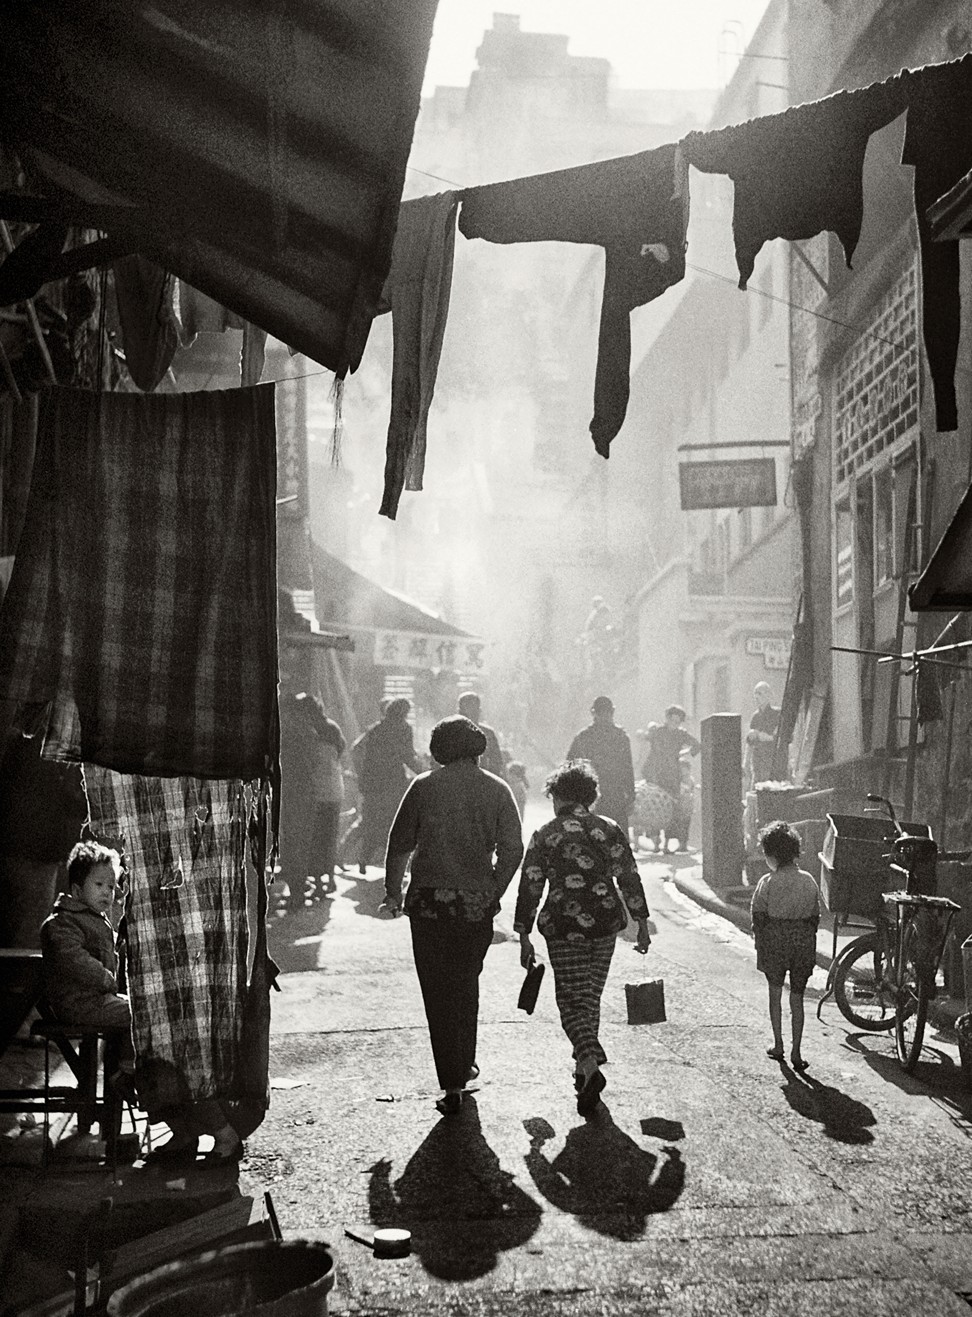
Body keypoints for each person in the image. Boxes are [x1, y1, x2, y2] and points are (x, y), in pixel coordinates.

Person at [381, 716, 523, 1116]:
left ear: (440, 748)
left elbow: (399, 844)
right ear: (478, 747)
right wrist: (493, 889)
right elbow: (513, 848)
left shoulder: (423, 787)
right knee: (465, 984)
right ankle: (464, 1062)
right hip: (474, 905)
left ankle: (452, 1081)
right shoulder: (497, 790)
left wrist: (393, 893)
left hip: (427, 904)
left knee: (437, 991)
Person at [514, 761, 651, 1117]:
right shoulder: (609, 829)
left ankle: (589, 1062)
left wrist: (524, 932)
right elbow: (629, 877)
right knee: (590, 995)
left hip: (562, 926)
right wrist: (642, 921)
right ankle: (582, 1069)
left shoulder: (545, 834)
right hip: (606, 924)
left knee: (570, 1000)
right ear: (590, 796)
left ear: (557, 796)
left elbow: (531, 883)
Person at [40, 841, 137, 1103]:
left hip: (95, 1000)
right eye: (99, 885)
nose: (108, 892)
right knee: (138, 1013)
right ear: (76, 889)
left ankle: (121, 1069)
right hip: (78, 1002)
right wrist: (107, 978)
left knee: (141, 1008)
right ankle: (125, 1073)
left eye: (111, 886)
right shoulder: (63, 922)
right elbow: (74, 959)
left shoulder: (94, 919)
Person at [750, 820, 820, 1072]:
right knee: (798, 998)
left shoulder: (767, 882)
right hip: (802, 943)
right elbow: (815, 917)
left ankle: (778, 1044)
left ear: (771, 855)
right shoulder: (809, 881)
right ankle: (797, 1052)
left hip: (774, 943)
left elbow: (758, 916)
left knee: (775, 994)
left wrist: (761, 942)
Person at [353, 697, 419, 872]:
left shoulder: (377, 728)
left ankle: (365, 856)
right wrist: (423, 771)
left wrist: (361, 775)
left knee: (373, 821)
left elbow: (359, 750)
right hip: (393, 782)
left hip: (372, 783)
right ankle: (395, 862)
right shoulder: (403, 729)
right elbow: (408, 756)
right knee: (395, 822)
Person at [566, 696, 636, 833]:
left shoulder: (583, 737)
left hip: (591, 795)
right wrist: (631, 796)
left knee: (593, 839)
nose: (605, 716)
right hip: (610, 795)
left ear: (593, 713)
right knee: (616, 839)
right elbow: (628, 768)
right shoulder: (620, 736)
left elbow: (569, 767)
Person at [639, 705, 700, 851]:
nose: (674, 724)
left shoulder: (681, 734)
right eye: (672, 720)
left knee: (671, 808)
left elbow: (697, 745)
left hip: (673, 775)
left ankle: (666, 842)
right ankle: (655, 841)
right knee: (653, 804)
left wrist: (683, 753)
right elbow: (645, 738)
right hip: (655, 773)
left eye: (678, 721)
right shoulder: (658, 731)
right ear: (667, 719)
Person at [457, 691, 506, 779]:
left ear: (479, 711)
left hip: (481, 782)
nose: (470, 716)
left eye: (473, 711)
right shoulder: (451, 732)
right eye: (465, 712)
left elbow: (496, 762)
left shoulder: (488, 734)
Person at [746, 681, 781, 788]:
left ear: (768, 695)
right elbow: (750, 744)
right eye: (755, 693)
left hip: (771, 761)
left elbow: (780, 737)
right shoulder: (755, 717)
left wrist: (763, 736)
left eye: (759, 693)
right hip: (757, 762)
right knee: (754, 790)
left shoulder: (777, 714)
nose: (756, 696)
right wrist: (746, 761)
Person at [669, 757, 696, 852]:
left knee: (685, 825)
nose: (683, 770)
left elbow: (689, 790)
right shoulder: (678, 780)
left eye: (684, 768)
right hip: (680, 806)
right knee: (680, 825)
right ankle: (681, 844)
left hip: (687, 806)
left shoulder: (689, 779)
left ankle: (683, 844)